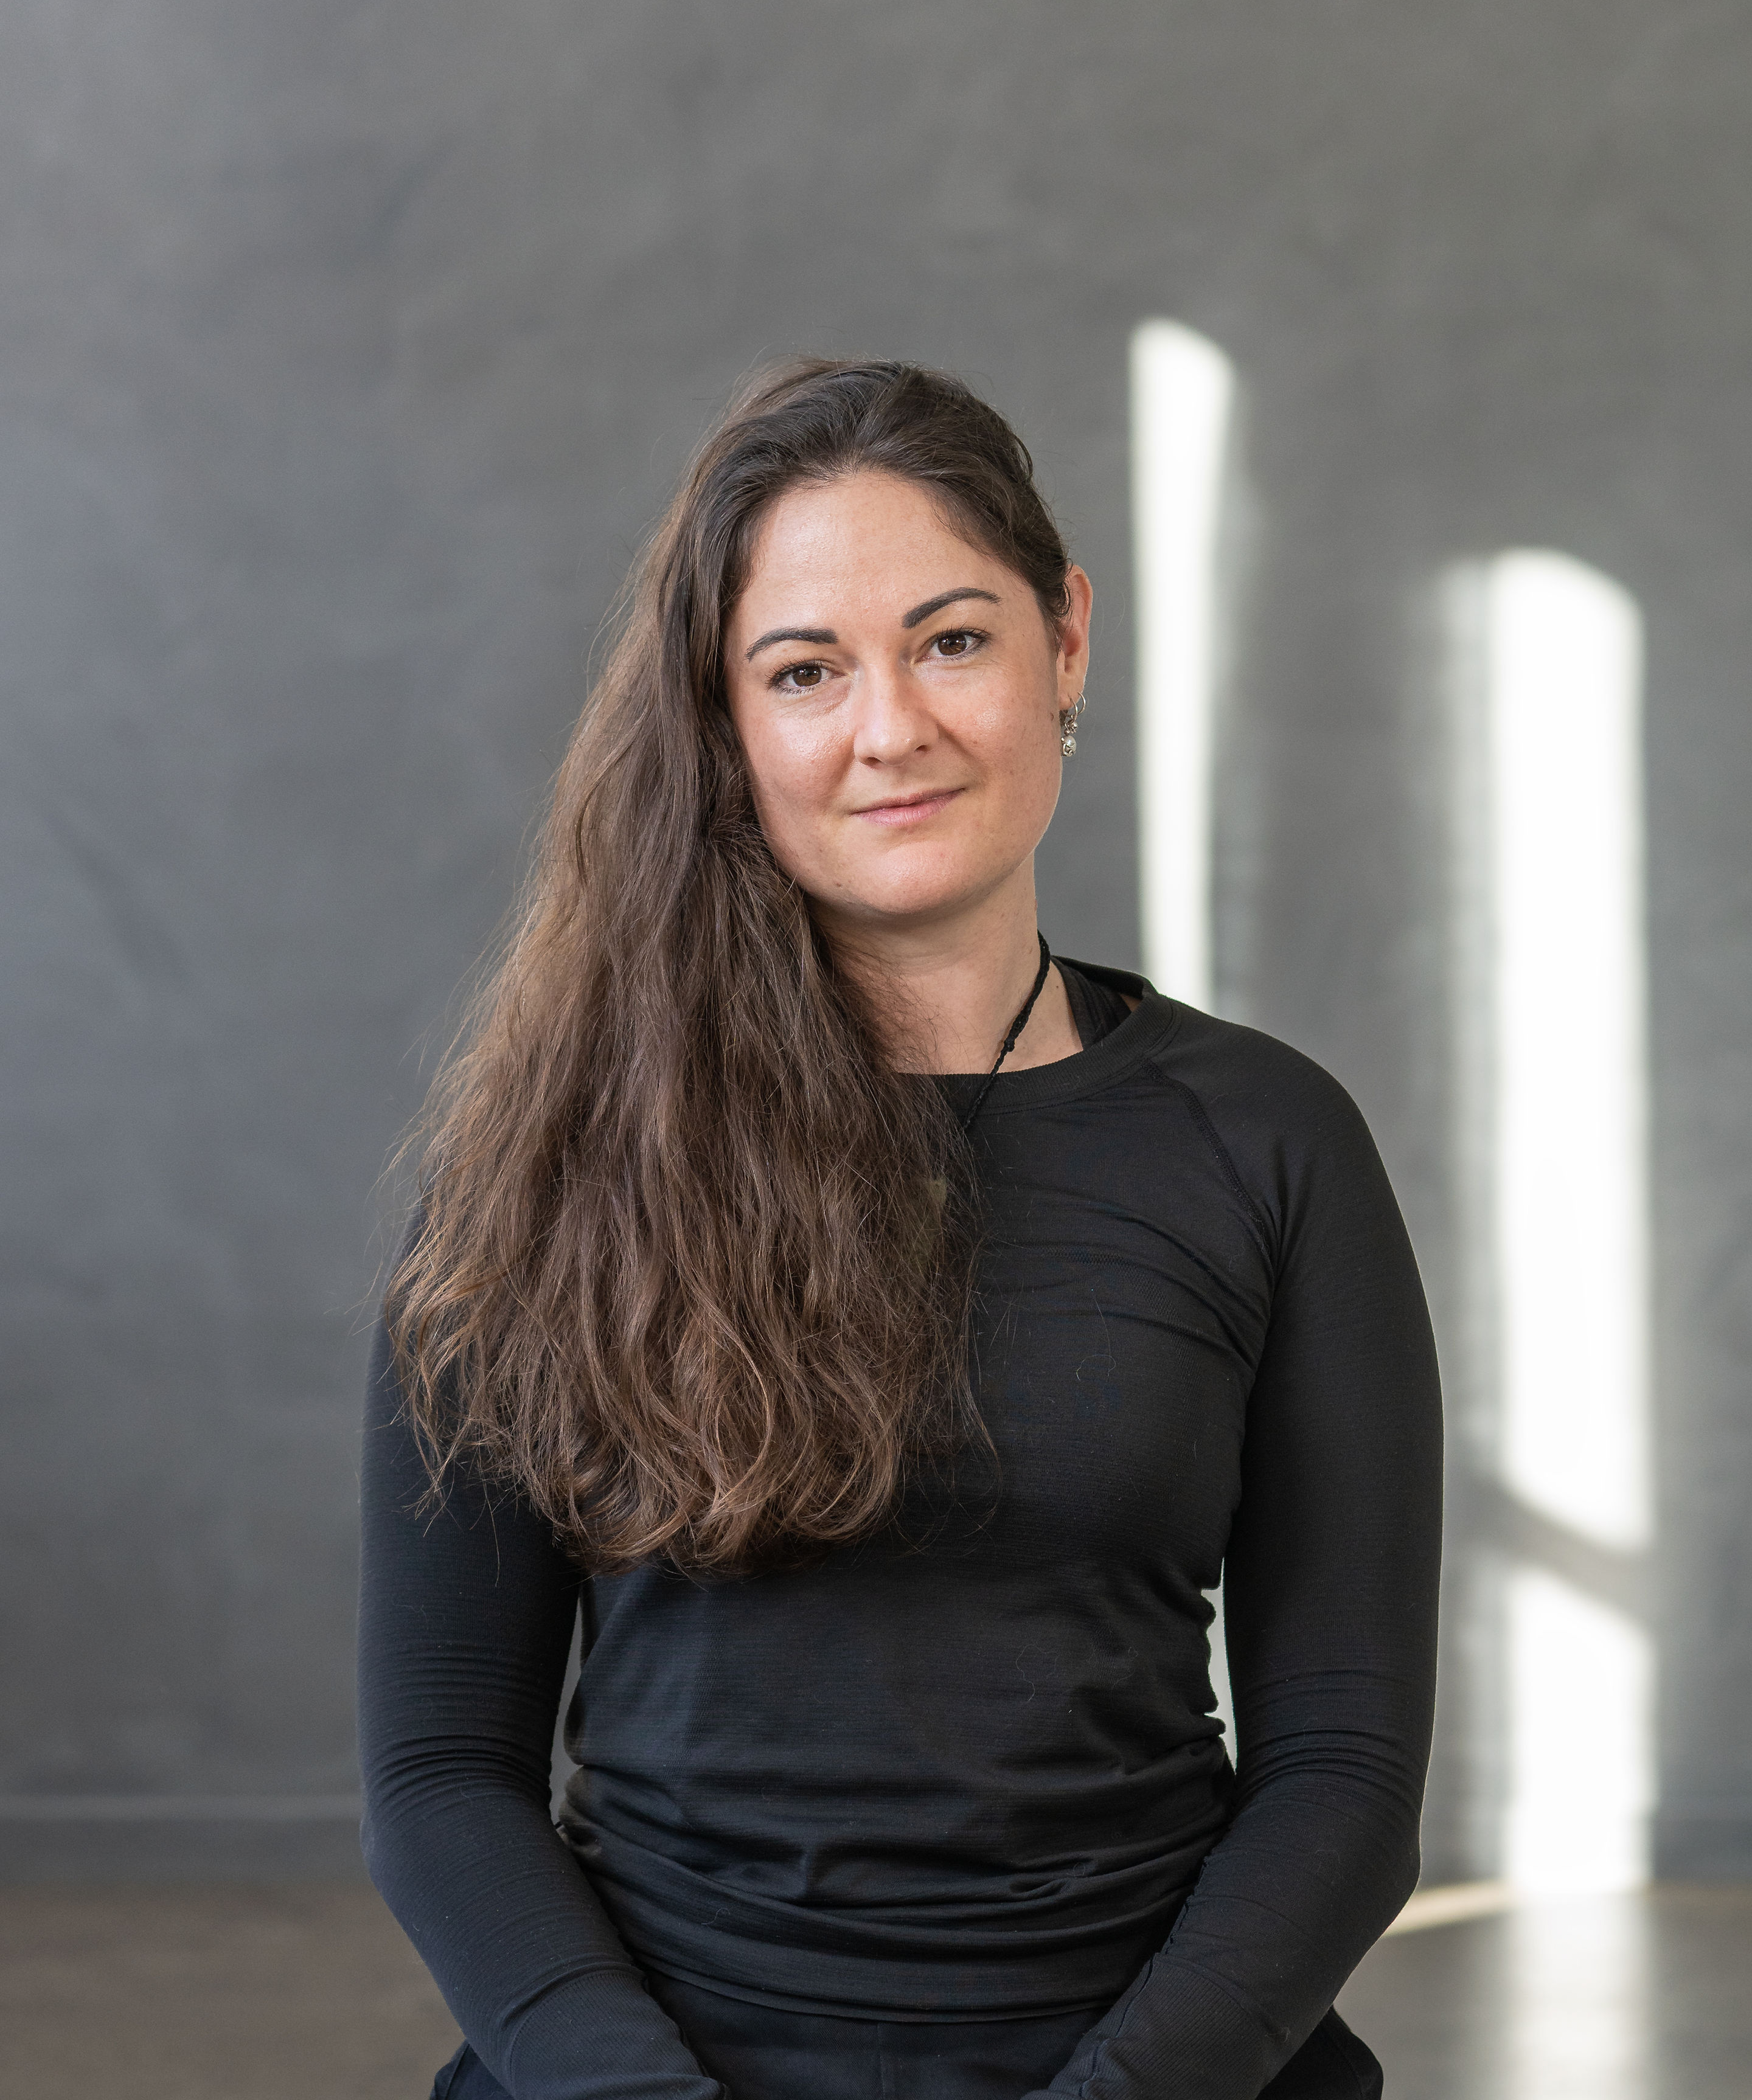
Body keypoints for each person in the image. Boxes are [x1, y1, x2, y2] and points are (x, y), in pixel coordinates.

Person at [358, 358, 1443, 2100]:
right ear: (726, 724)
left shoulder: (1270, 1141)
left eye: (953, 641)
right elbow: (439, 1772)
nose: (892, 729)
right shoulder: (544, 1160)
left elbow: (1347, 1766)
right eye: (805, 671)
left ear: (1066, 640)